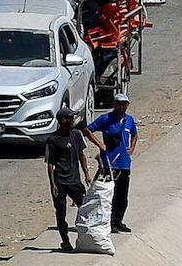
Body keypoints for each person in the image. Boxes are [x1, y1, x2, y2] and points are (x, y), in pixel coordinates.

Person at [90, 92, 139, 234]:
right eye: (119, 103)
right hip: (111, 164)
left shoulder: (129, 120)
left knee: (122, 196)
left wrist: (132, 147)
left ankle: (118, 220)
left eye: (124, 104)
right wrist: (100, 145)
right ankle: (109, 222)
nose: (121, 106)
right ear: (114, 104)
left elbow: (135, 134)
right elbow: (88, 130)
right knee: (109, 194)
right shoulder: (106, 119)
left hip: (124, 163)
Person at [46, 107, 90, 248]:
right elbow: (50, 164)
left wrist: (86, 174)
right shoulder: (53, 139)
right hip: (60, 182)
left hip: (75, 181)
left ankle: (85, 237)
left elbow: (81, 156)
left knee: (84, 208)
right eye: (70, 118)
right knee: (61, 212)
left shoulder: (76, 135)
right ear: (63, 120)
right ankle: (65, 240)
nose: (73, 120)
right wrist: (52, 184)